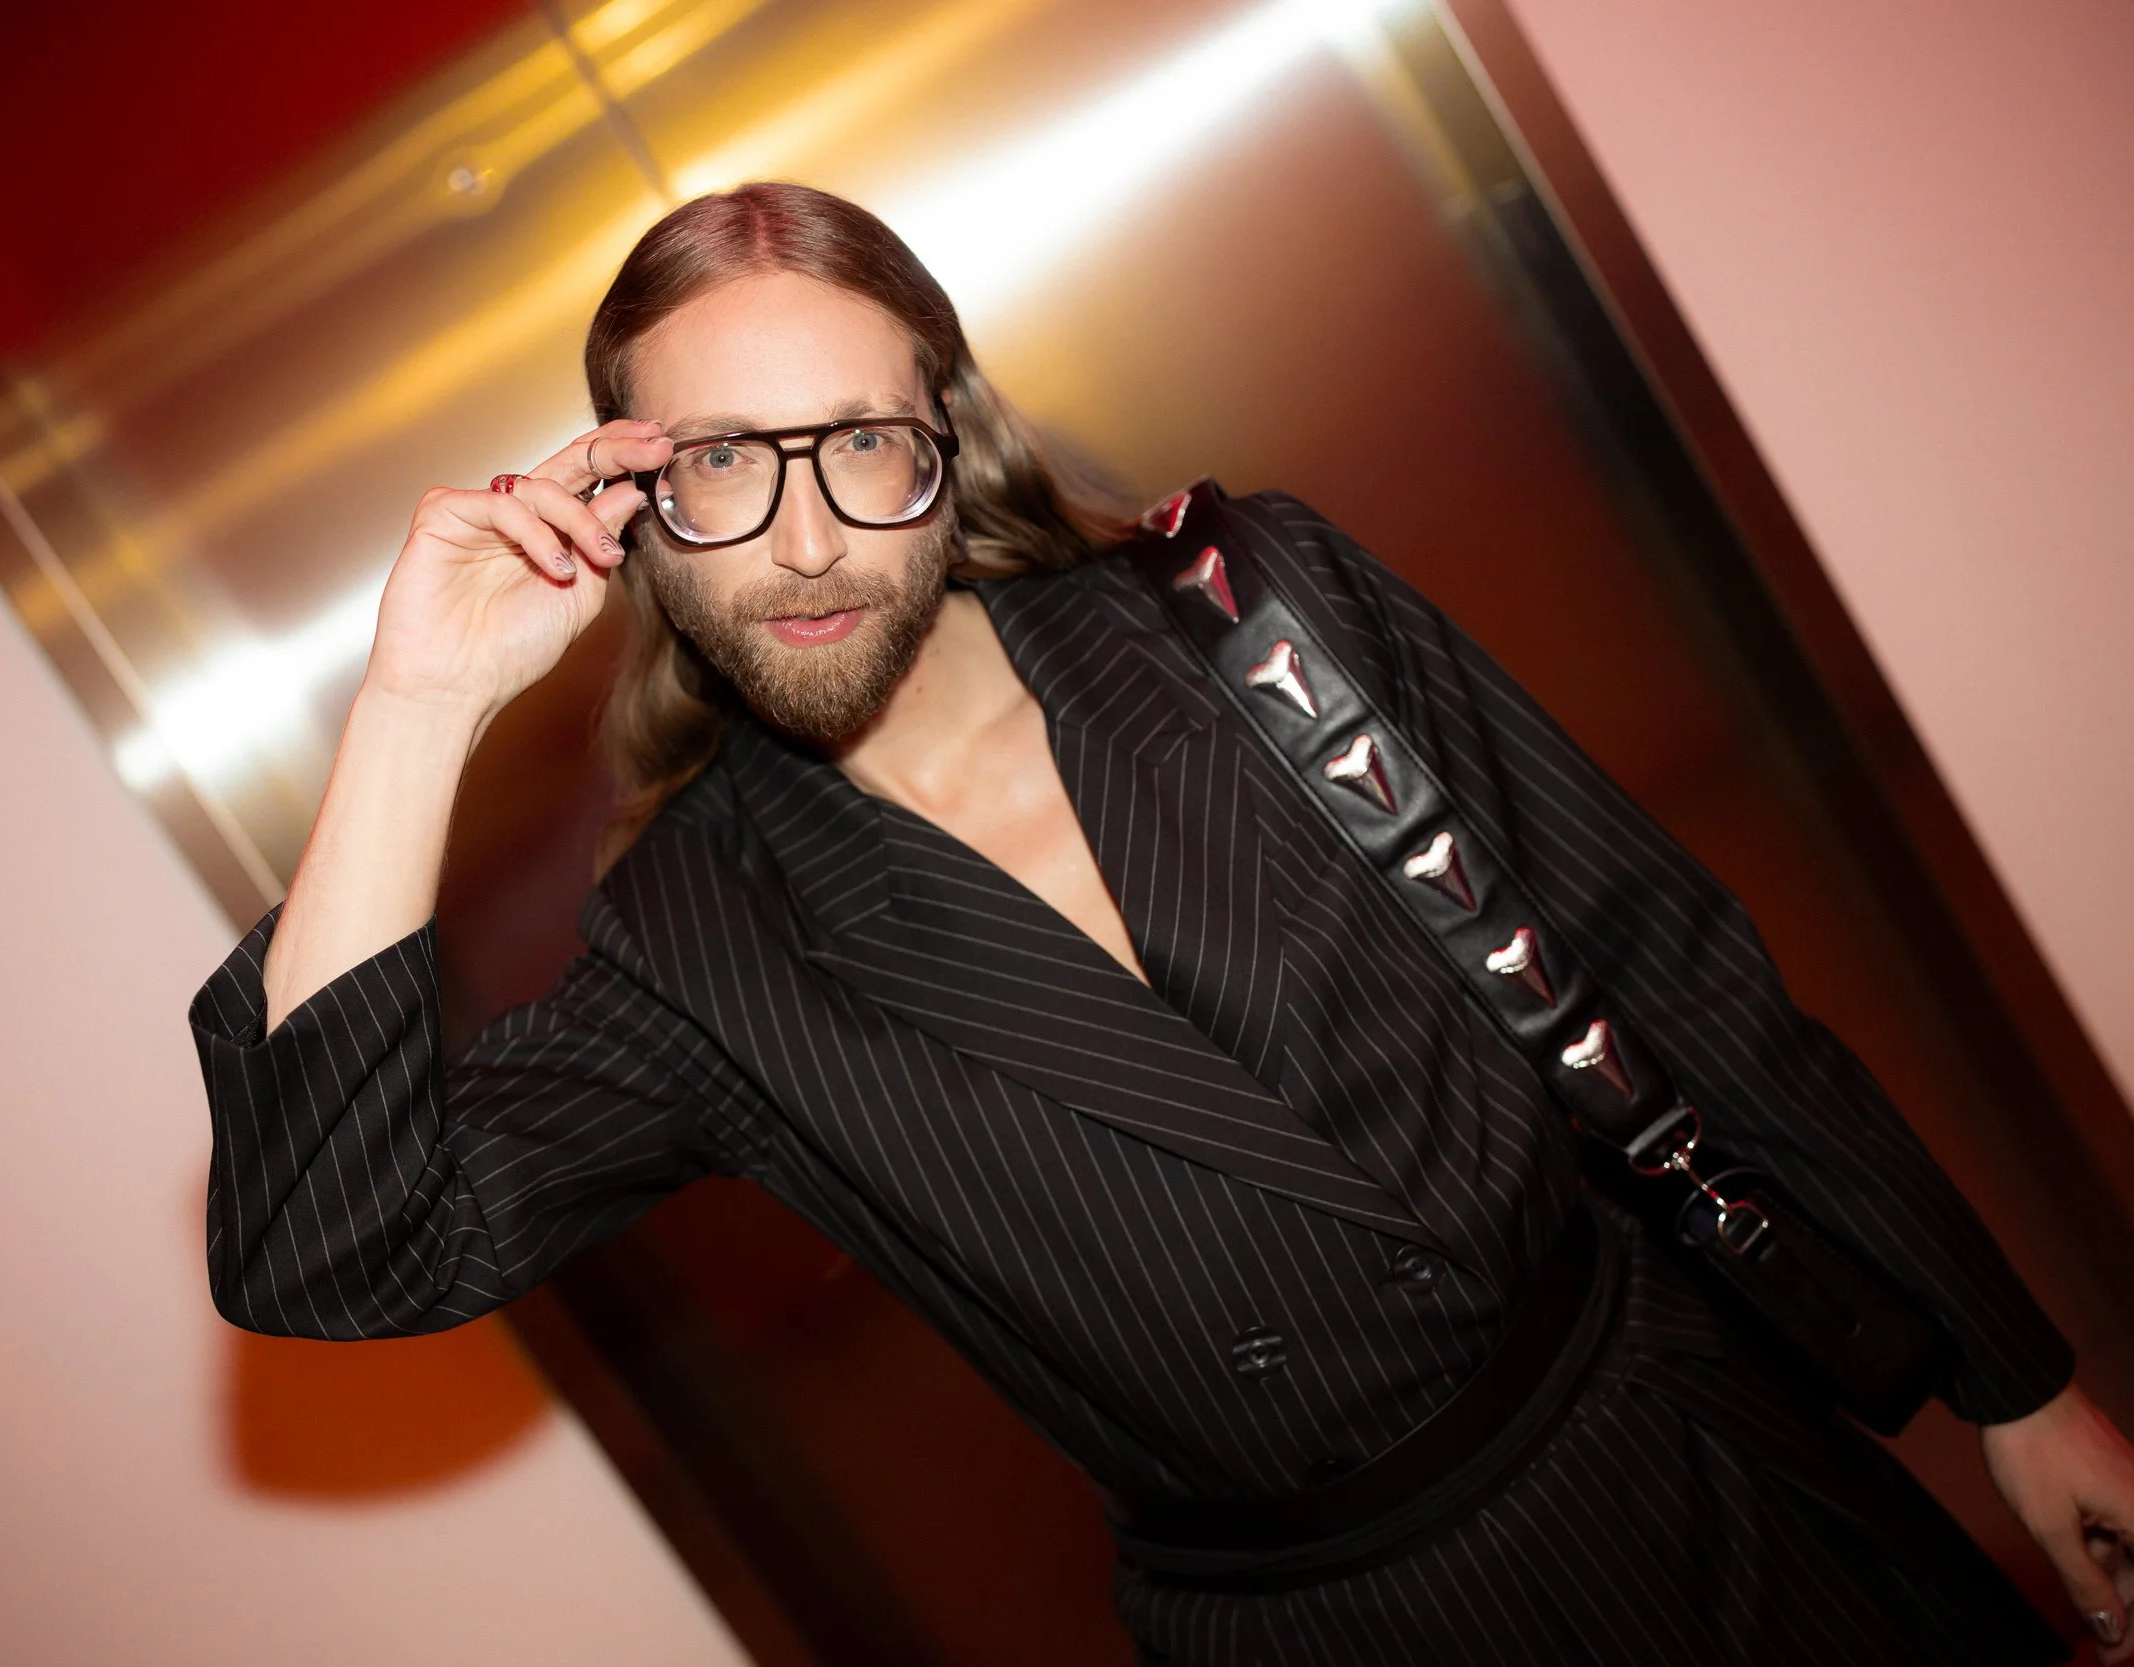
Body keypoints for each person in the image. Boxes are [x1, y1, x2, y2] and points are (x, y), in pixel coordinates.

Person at [189, 182, 2134, 1665]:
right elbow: (328, 1249)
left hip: (1698, 1459)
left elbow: (1678, 966)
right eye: (715, 462)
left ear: (943, 440)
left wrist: (2014, 1376)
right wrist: (420, 705)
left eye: (856, 440)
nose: (798, 539)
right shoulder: (702, 939)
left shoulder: (1247, 615)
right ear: (624, 499)